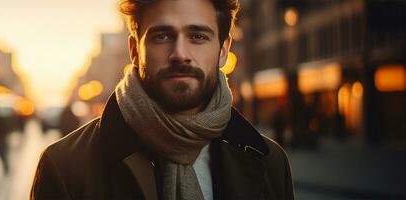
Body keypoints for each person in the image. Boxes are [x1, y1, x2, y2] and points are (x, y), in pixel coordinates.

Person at [31, 0, 294, 199]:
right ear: (135, 50)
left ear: (223, 50)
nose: (180, 54)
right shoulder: (64, 166)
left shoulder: (270, 163)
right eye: (162, 36)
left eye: (198, 37)